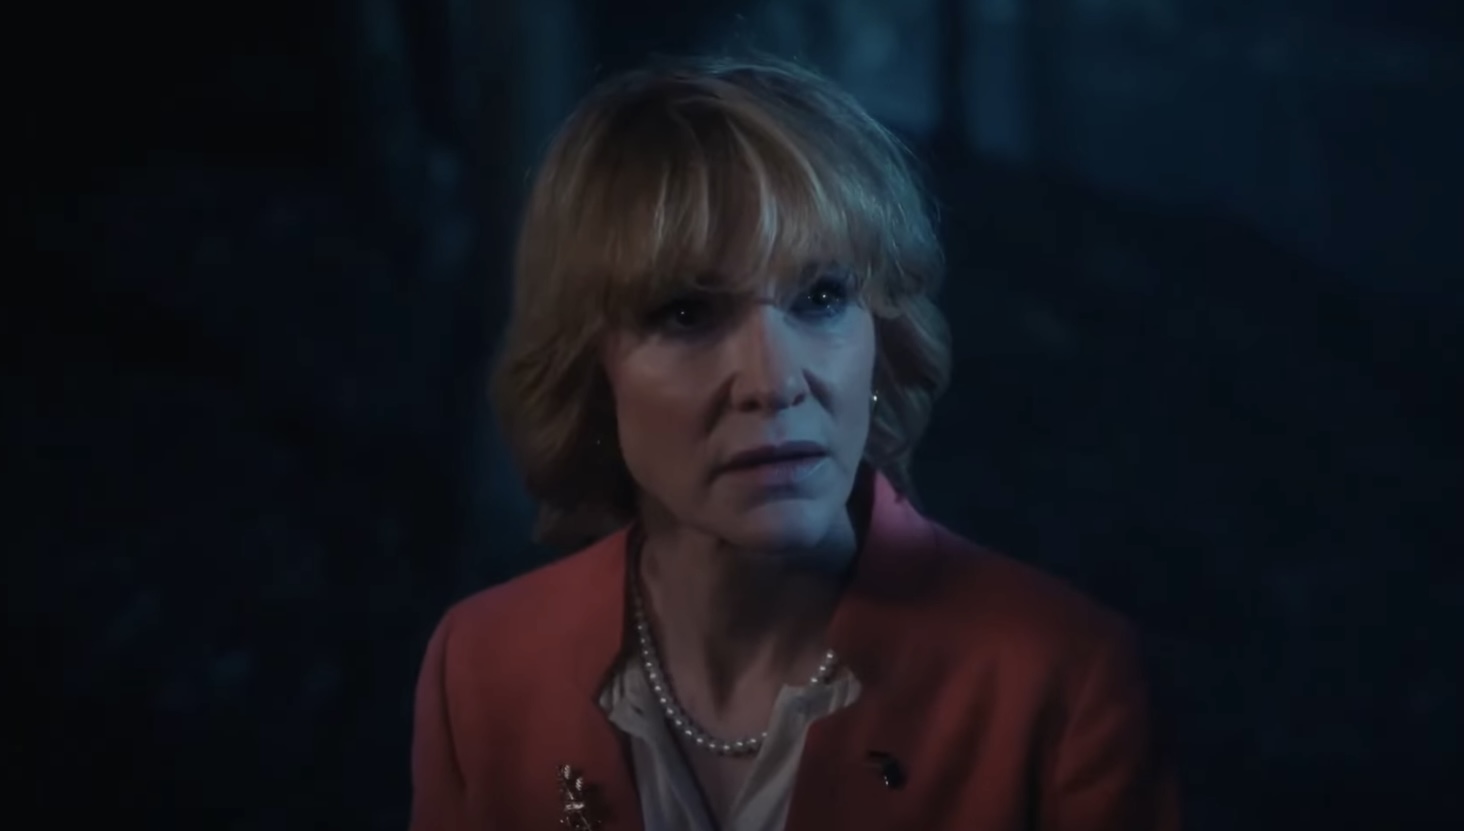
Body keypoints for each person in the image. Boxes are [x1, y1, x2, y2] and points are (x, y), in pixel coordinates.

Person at [409, 54, 1178, 831]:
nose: (774, 382)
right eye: (687, 313)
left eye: (822, 297)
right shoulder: (483, 666)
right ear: (592, 370)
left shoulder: (1061, 678)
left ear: (882, 337)